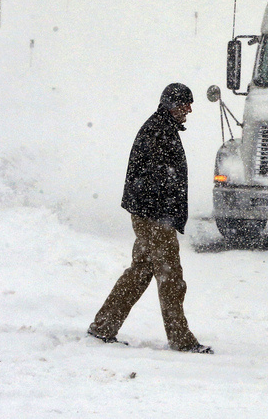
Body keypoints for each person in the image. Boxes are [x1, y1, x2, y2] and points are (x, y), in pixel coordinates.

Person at [87, 83, 212, 354]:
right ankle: (181, 339)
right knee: (171, 277)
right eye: (183, 104)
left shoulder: (161, 128)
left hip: (150, 215)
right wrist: (164, 215)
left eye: (190, 104)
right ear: (169, 104)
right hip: (155, 217)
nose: (189, 110)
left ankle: (103, 326)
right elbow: (155, 180)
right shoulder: (158, 131)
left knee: (141, 271)